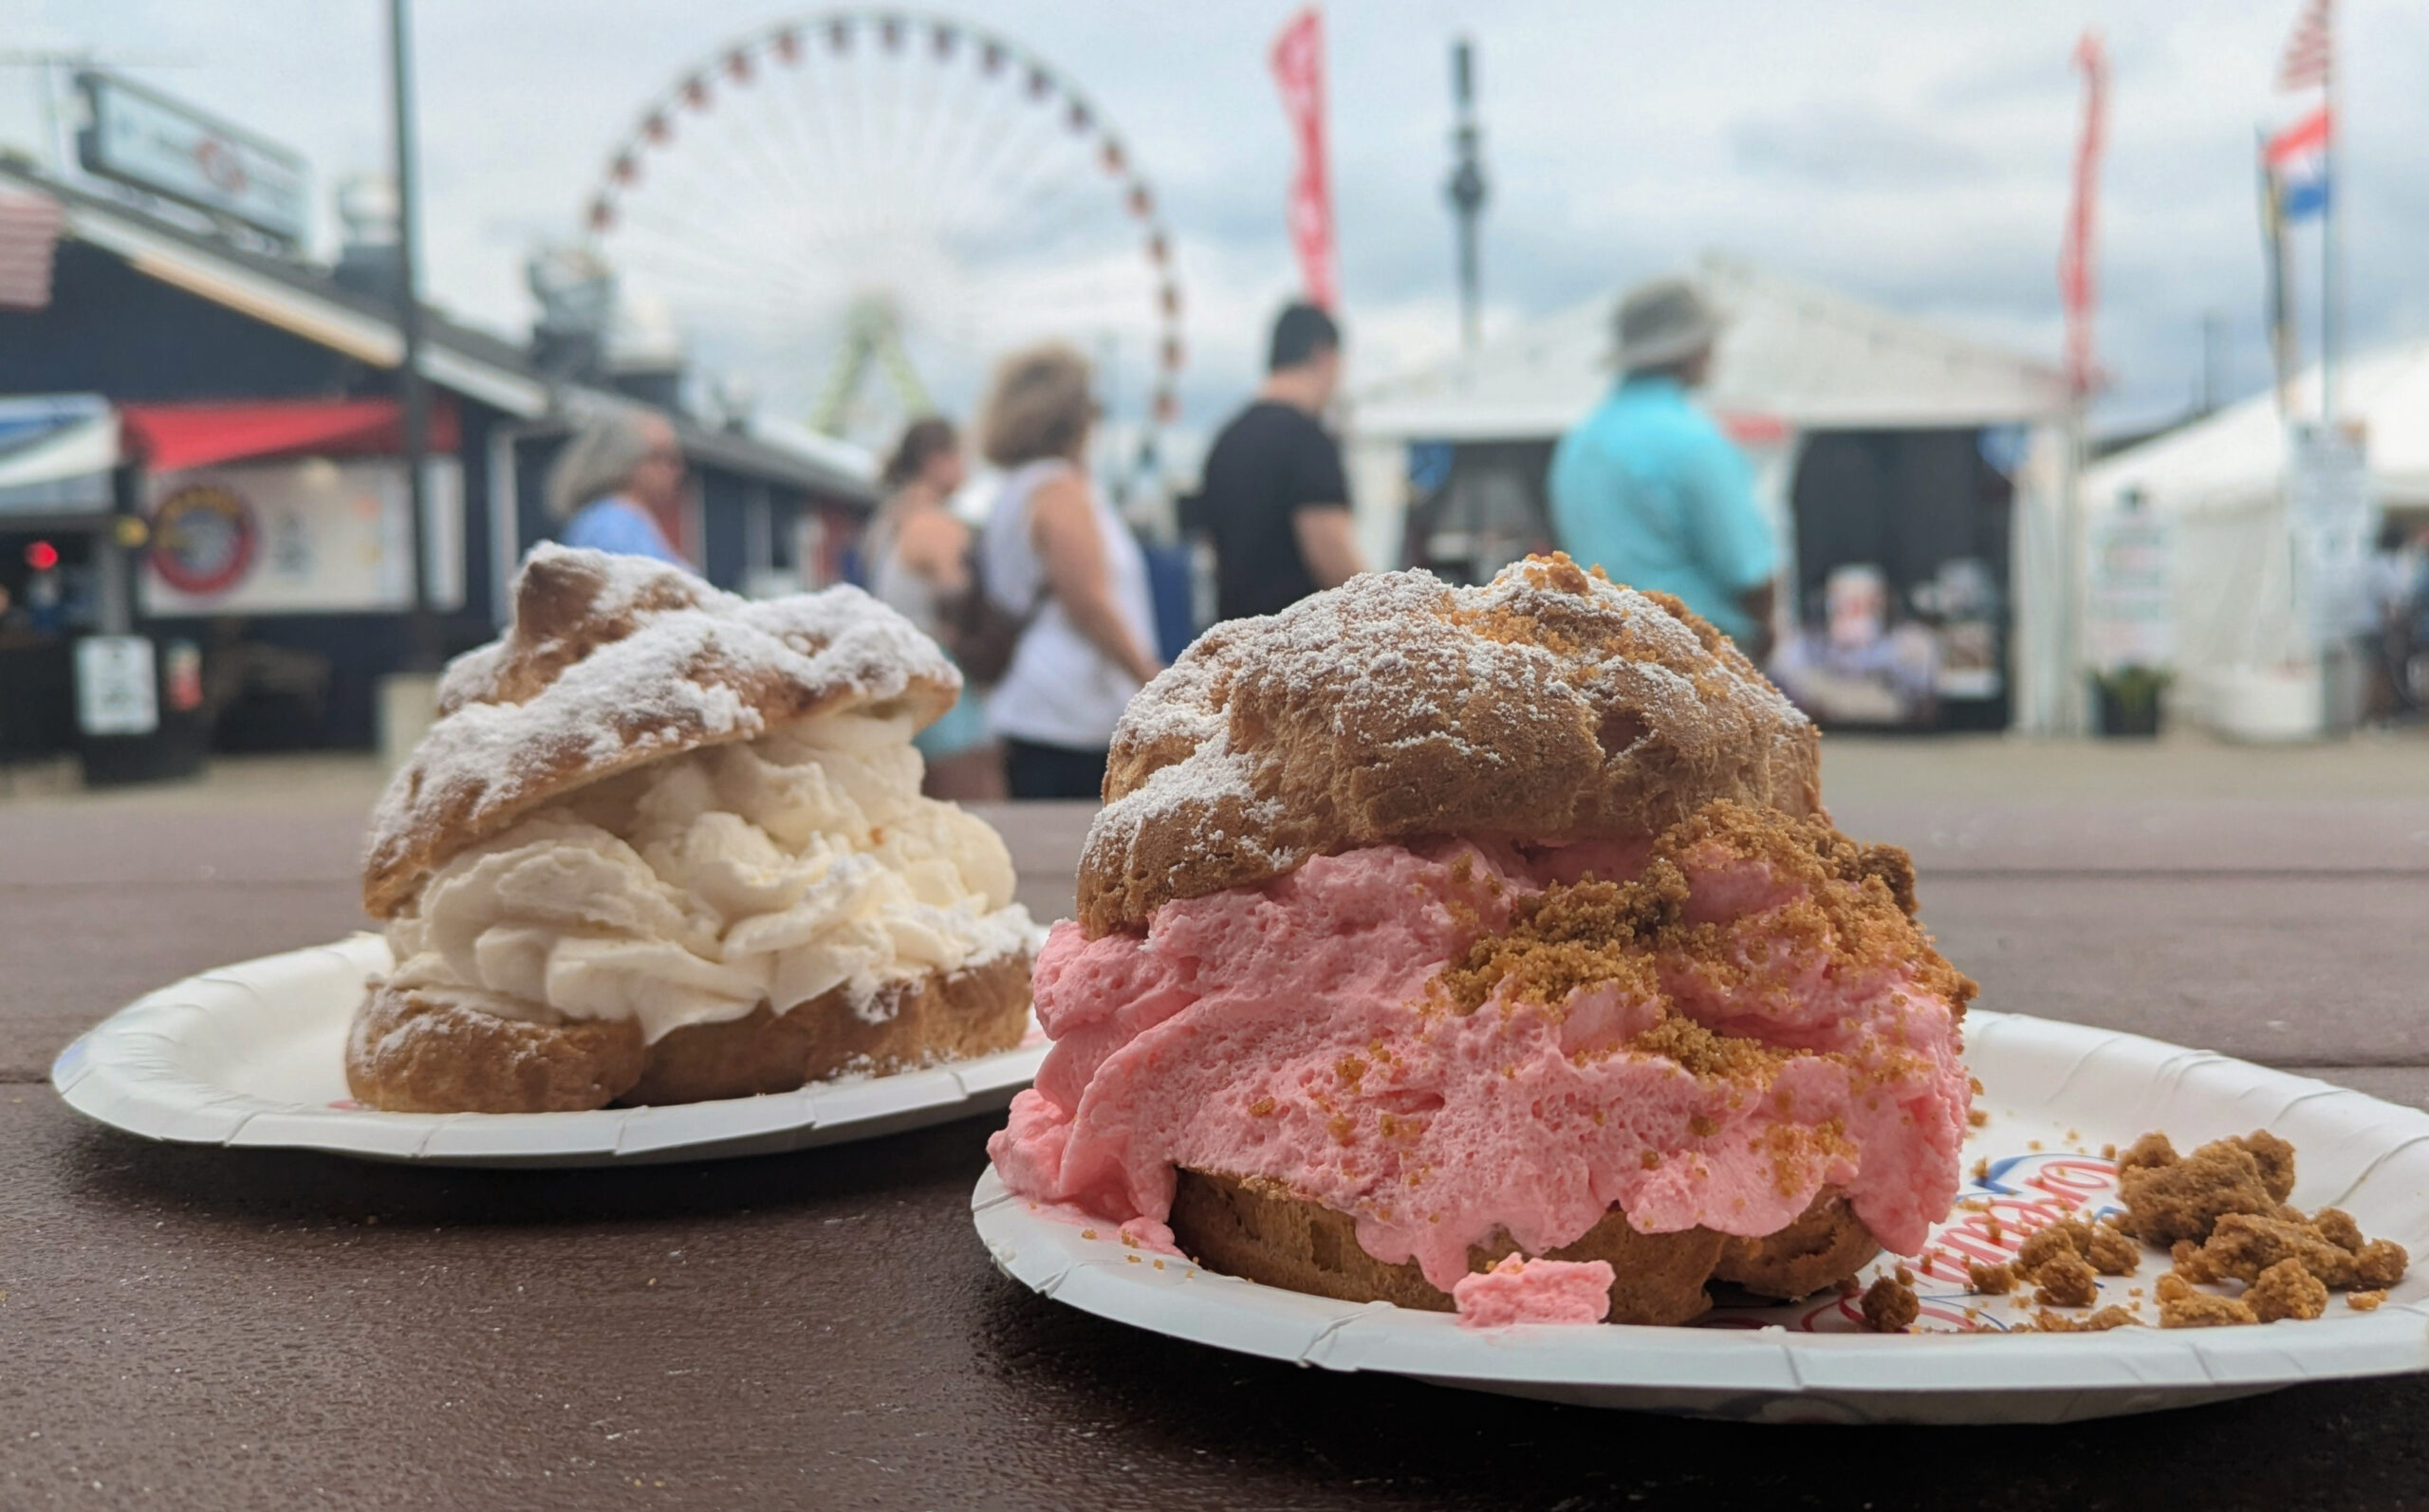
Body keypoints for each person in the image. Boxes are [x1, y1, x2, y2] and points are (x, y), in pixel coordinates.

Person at [1547, 277, 1777, 660]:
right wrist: (1764, 638)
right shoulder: (1694, 440)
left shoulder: (1578, 443)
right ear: (1691, 350)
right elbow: (1748, 573)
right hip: (1695, 662)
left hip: (1604, 657)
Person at [974, 342, 1162, 800]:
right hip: (1074, 714)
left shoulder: (1011, 493)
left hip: (1032, 706)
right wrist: (1156, 681)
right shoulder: (1060, 489)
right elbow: (1089, 602)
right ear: (1073, 416)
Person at [1190, 301, 1364, 622]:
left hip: (1239, 649)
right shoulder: (1307, 439)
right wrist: (1387, 612)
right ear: (1323, 355)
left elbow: (1213, 552)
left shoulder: (1224, 440)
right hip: (1300, 653)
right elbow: (1331, 556)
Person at [864, 416, 1005, 800]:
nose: (966, 468)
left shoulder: (887, 522)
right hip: (943, 686)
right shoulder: (936, 525)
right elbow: (961, 602)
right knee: (977, 805)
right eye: (960, 456)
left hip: (903, 682)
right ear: (936, 460)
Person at [546, 411, 691, 566]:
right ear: (623, 459)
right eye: (661, 456)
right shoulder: (611, 527)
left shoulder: (633, 521)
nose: (677, 470)